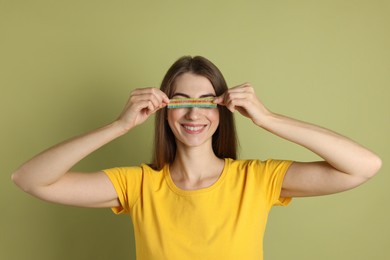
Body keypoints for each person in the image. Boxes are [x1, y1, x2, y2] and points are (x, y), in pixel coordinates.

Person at [12, 56, 382, 260]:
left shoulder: (256, 180)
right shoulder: (138, 185)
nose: (194, 115)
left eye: (206, 102)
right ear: (163, 111)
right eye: (181, 102)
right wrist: (118, 127)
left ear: (222, 111)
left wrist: (268, 119)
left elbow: (364, 166)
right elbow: (29, 179)